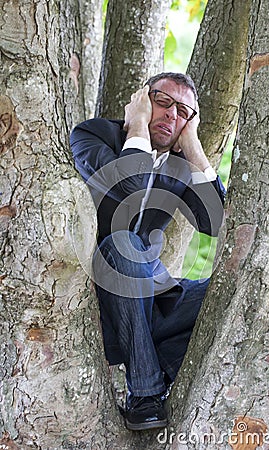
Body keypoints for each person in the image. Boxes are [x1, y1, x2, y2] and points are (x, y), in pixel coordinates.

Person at [70, 72, 226, 431]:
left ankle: (154, 366)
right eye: (163, 102)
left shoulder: (178, 166)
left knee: (223, 293)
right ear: (141, 98)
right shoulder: (93, 135)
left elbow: (217, 224)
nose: (172, 115)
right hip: (98, 305)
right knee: (123, 245)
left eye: (184, 112)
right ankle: (144, 394)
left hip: (152, 305)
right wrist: (138, 126)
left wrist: (194, 147)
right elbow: (125, 188)